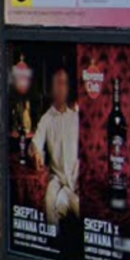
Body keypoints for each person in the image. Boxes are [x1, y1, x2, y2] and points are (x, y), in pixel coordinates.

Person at [30, 69, 80, 225]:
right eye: (57, 84)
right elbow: (35, 143)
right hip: (57, 180)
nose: (60, 88)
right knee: (50, 202)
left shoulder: (76, 118)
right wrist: (36, 153)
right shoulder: (46, 119)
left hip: (77, 180)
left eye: (63, 83)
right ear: (51, 88)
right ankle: (54, 242)